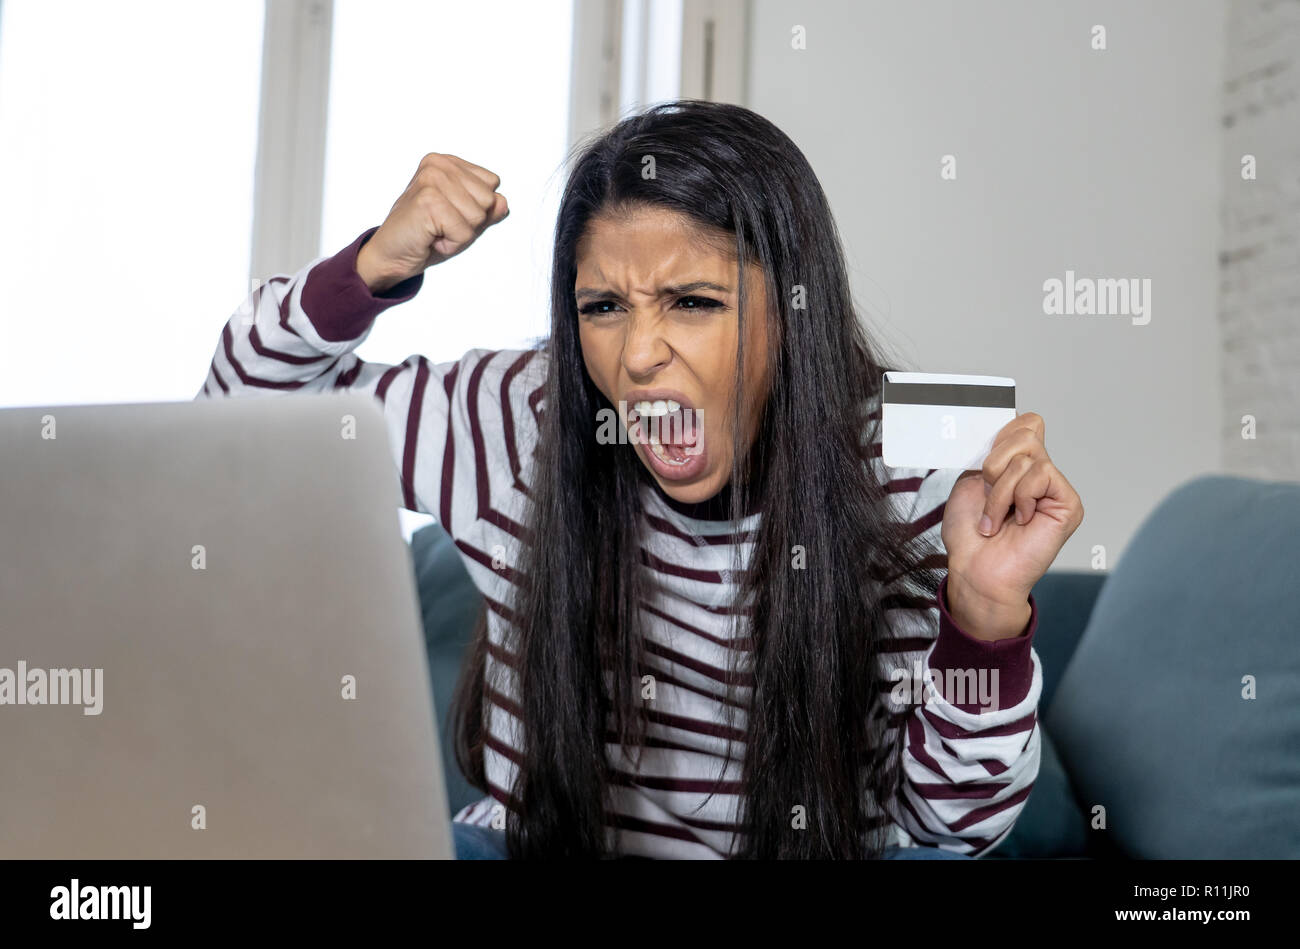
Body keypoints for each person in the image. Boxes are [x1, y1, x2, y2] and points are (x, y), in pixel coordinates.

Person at [198, 100, 1084, 859]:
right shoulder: (523, 413)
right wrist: (369, 271)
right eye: (604, 307)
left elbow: (951, 828)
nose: (639, 353)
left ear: (794, 312)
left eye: (694, 302)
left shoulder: (911, 461)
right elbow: (238, 429)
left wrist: (985, 616)